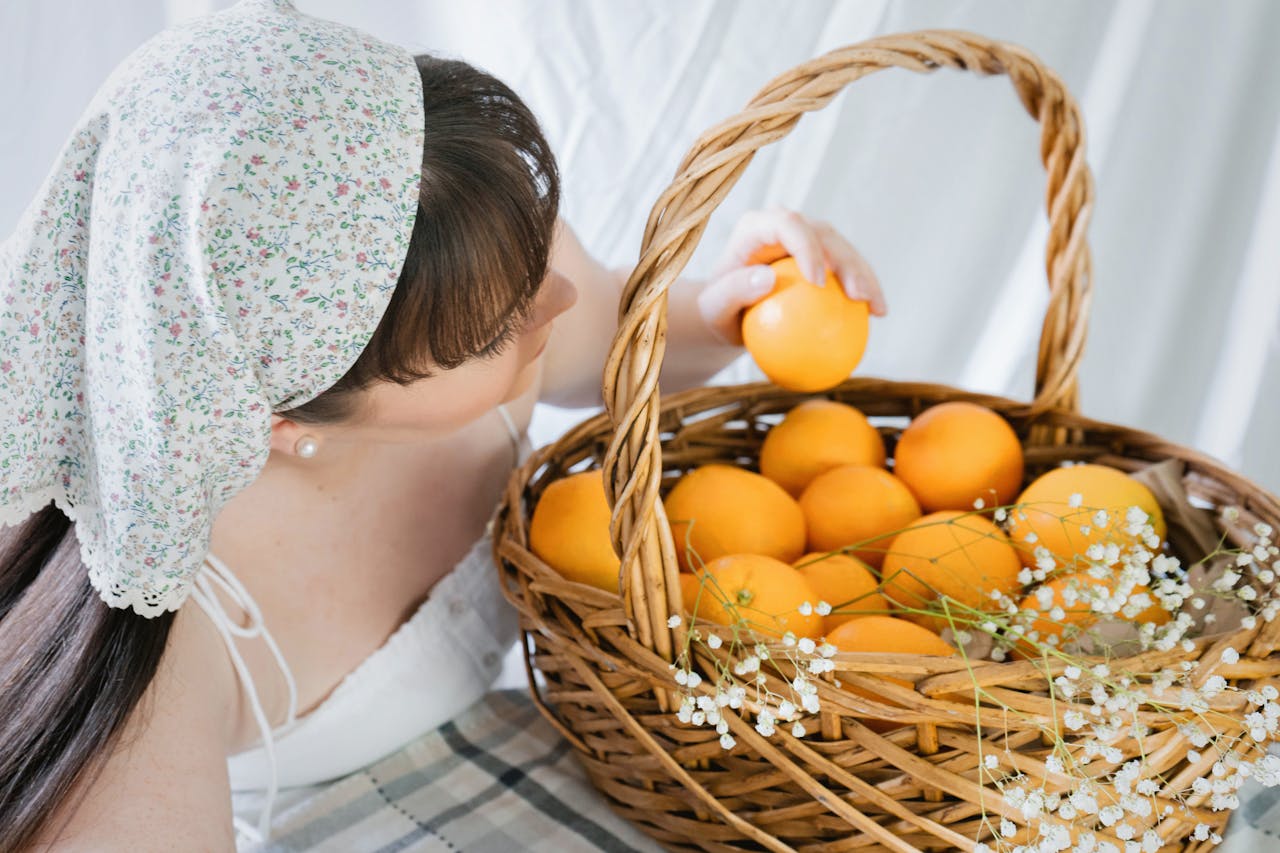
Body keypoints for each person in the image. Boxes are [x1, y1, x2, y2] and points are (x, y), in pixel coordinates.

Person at [0, 0, 885, 850]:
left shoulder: (476, 274)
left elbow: (615, 330)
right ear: (280, 419)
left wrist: (736, 306)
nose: (561, 295)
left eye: (537, 246)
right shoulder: (169, 624)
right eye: (496, 333)